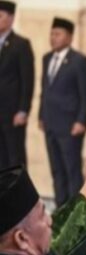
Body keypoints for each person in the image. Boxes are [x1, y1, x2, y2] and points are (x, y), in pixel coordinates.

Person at [39, 17, 86, 206]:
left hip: (70, 126)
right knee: (57, 169)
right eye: (52, 34)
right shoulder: (47, 58)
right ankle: (61, 208)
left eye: (58, 34)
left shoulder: (79, 61)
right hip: (50, 123)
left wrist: (81, 120)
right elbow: (45, 89)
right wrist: (41, 115)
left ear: (69, 37)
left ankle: (75, 210)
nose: (53, 38)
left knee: (72, 169)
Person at [0, 1, 33, 170]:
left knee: (15, 158)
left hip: (12, 114)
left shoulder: (20, 44)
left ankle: (19, 188)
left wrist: (23, 110)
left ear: (11, 18)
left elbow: (27, 79)